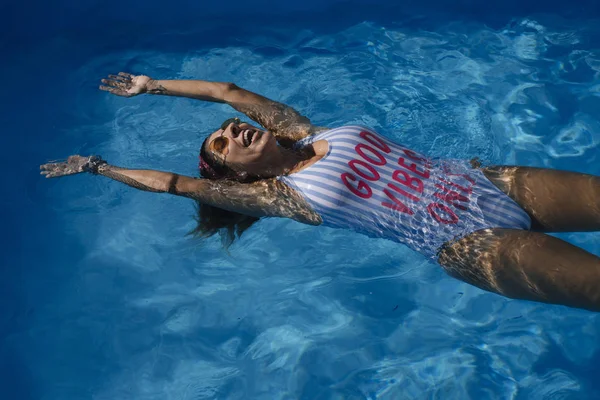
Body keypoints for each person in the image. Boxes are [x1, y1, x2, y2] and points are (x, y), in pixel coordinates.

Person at [40, 72, 600, 312]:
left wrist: (153, 86)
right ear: (239, 177)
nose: (234, 129)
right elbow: (171, 183)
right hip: (466, 239)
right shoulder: (278, 196)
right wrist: (99, 167)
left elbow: (227, 91)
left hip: (487, 182)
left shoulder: (307, 130)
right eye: (225, 143)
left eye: (231, 128)